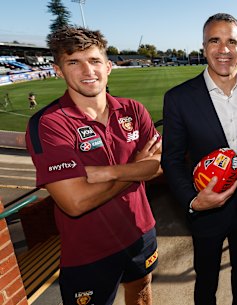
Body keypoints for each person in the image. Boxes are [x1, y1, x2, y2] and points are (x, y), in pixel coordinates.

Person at [25, 26, 162, 305]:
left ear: (108, 66)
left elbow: (159, 165)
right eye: (74, 62)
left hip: (140, 230)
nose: (88, 71)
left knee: (142, 289)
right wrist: (136, 167)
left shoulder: (133, 110)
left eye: (95, 60)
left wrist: (109, 171)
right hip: (88, 250)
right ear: (59, 70)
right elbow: (75, 201)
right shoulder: (49, 124)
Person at [161, 13, 237, 305]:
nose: (224, 49)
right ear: (203, 46)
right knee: (206, 280)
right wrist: (193, 201)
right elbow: (171, 159)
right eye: (215, 40)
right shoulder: (178, 98)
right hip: (205, 211)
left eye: (231, 41)